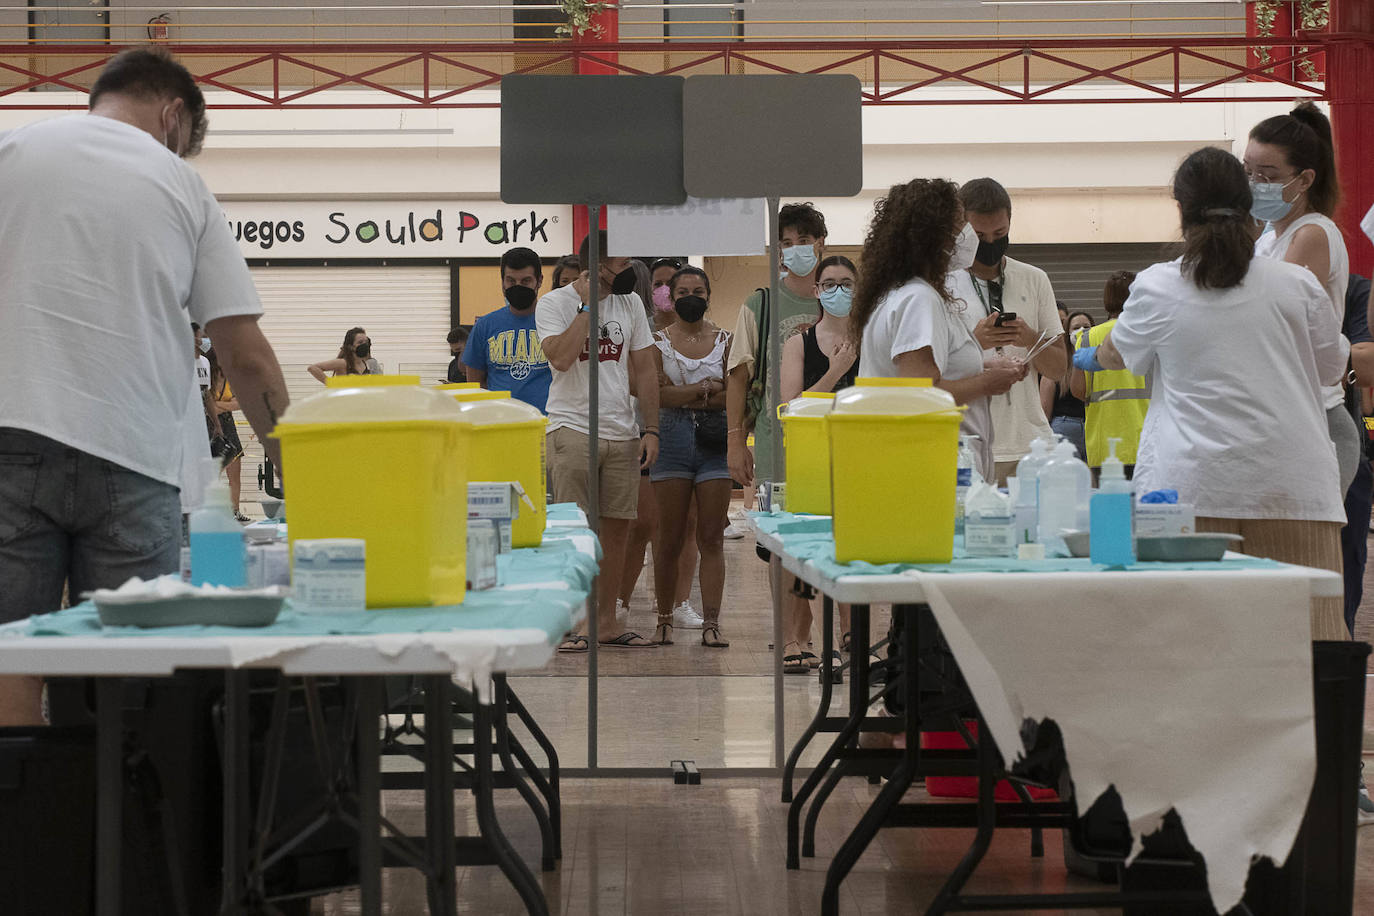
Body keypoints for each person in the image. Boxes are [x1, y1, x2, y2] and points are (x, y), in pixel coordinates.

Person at [0, 47, 290, 724]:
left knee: (12, 652)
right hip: (134, 456)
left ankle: (21, 821)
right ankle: (120, 820)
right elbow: (243, 354)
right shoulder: (178, 183)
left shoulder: (10, 149)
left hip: (8, 438)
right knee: (128, 668)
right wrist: (288, 460)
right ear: (172, 116)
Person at [1081, 146, 1346, 641]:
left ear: (1181, 212)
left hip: (1186, 493)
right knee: (1309, 646)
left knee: (1192, 646)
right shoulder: (1297, 285)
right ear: (1250, 207)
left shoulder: (1157, 286)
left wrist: (1093, 353)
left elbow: (1118, 355)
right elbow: (1333, 369)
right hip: (1293, 489)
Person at [851, 178, 1027, 483]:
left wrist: (985, 365)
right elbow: (920, 393)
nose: (969, 237)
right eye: (961, 227)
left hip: (914, 461)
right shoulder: (919, 299)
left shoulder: (901, 294)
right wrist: (987, 382)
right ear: (936, 238)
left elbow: (920, 372)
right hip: (927, 466)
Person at [537, 230, 660, 651]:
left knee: (617, 532)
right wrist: (587, 307)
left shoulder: (632, 303)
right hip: (571, 427)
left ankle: (605, 622)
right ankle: (574, 623)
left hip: (622, 430)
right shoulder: (553, 303)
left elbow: (644, 369)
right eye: (620, 266)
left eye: (629, 265)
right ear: (595, 266)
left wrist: (652, 427)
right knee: (574, 533)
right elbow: (561, 356)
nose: (628, 273)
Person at [1245, 101, 1360, 495]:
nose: (1254, 182)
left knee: (1308, 553)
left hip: (1316, 419)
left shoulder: (1312, 234)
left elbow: (1267, 318)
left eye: (1267, 174)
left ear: (1305, 179)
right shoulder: (1266, 239)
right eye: (1248, 171)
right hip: (1278, 415)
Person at [948, 178, 1067, 484]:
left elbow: (1057, 368)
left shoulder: (1034, 279)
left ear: (1010, 224)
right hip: (966, 444)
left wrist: (1028, 337)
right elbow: (930, 373)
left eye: (999, 233)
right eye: (979, 235)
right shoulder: (942, 283)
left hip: (1031, 443)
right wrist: (975, 342)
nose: (990, 242)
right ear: (962, 231)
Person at [780, 254, 859, 661]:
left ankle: (851, 635)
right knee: (805, 551)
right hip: (810, 459)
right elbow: (790, 406)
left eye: (847, 283)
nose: (838, 291)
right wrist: (835, 371)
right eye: (829, 284)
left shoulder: (870, 342)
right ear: (816, 291)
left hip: (858, 460)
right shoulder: (799, 343)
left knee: (851, 548)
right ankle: (798, 637)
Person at [649, 266, 732, 648]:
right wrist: (706, 388)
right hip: (670, 439)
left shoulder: (726, 341)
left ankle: (711, 622)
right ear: (671, 295)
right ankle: (664, 618)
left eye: (698, 290)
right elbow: (656, 396)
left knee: (711, 536)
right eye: (682, 291)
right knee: (668, 536)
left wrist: (684, 391)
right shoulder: (657, 341)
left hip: (715, 443)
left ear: (709, 294)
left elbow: (733, 395)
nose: (690, 297)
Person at [1069, 272, 1149, 477]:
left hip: (1104, 445)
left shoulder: (1086, 338)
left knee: (1110, 507)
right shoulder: (1149, 334)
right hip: (1147, 442)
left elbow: (1078, 391)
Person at [464, 246, 553, 413]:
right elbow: (474, 384)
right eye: (511, 281)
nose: (517, 286)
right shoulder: (485, 326)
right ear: (502, 282)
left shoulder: (555, 321)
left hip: (549, 424)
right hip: (502, 424)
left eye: (526, 281)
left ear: (539, 281)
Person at [1041, 311, 1093, 462]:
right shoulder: (1058, 366)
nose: (1082, 331)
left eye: (1086, 327)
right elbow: (1044, 410)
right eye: (1076, 327)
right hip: (1065, 428)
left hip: (1093, 425)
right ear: (1067, 333)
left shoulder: (1098, 362)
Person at [207, 346, 251, 522]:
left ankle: (235, 510)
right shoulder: (207, 377)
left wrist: (217, 406)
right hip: (210, 425)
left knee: (235, 468)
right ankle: (210, 510)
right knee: (213, 469)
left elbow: (238, 404)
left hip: (228, 423)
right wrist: (222, 406)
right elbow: (204, 405)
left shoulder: (230, 378)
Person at [308, 326, 378, 382]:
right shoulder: (343, 363)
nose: (364, 345)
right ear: (351, 347)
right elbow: (313, 368)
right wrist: (330, 383)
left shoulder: (366, 363)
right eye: (360, 342)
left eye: (366, 342)